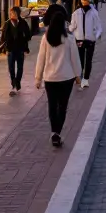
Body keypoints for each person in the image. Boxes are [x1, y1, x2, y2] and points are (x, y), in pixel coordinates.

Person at [34, 12, 82, 147]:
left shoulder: (46, 38)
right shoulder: (69, 39)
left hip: (50, 78)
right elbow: (75, 59)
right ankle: (57, 132)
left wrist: (38, 78)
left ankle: (53, 131)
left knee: (52, 105)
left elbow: (41, 58)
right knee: (62, 106)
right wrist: (78, 75)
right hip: (66, 78)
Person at [69, 0, 104, 88]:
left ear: (89, 1)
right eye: (83, 0)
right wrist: (69, 30)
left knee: (88, 60)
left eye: (86, 0)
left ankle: (86, 79)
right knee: (80, 59)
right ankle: (80, 77)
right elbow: (72, 26)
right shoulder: (76, 13)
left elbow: (99, 27)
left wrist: (95, 37)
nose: (84, 2)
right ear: (81, 1)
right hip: (79, 39)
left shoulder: (93, 13)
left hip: (90, 40)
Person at [1, 7, 33, 95]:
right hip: (10, 49)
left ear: (18, 14)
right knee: (11, 68)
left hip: (20, 49)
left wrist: (25, 47)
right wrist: (6, 49)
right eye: (11, 13)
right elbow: (3, 37)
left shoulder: (23, 23)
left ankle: (17, 82)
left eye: (14, 13)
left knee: (20, 67)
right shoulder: (7, 23)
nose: (12, 15)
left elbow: (28, 35)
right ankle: (13, 82)